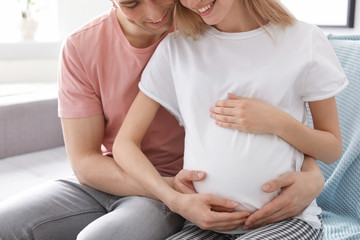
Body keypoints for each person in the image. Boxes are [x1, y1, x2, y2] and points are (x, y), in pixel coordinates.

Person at [0, 1, 324, 240]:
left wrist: (313, 174)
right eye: (131, 3)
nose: (155, 14)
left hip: (183, 180)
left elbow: (280, 105)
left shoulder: (207, 22)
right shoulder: (80, 46)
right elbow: (85, 161)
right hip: (118, 176)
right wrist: (173, 195)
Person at [112, 0, 348, 239]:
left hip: (287, 220)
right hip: (207, 225)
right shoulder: (176, 48)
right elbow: (124, 145)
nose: (193, 2)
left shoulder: (304, 40)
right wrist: (174, 200)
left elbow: (331, 149)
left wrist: (278, 122)